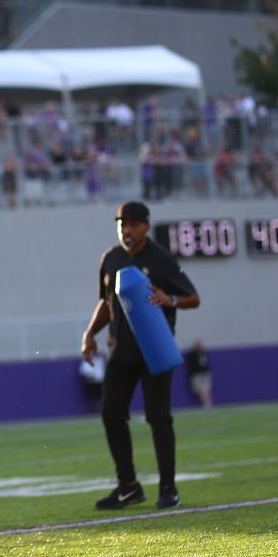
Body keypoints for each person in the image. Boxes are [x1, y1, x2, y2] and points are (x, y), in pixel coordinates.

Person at [80, 201, 200, 511]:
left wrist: (168, 298)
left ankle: (168, 489)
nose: (127, 230)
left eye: (133, 224)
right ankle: (129, 487)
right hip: (120, 350)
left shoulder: (161, 259)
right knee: (111, 413)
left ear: (146, 226)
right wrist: (90, 333)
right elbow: (106, 303)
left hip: (154, 350)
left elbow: (193, 297)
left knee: (158, 418)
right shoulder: (111, 259)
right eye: (122, 224)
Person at [78, 335, 112, 413]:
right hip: (91, 382)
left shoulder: (100, 360)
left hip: (100, 381)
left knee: (104, 396)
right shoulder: (88, 360)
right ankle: (94, 411)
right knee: (92, 397)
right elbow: (83, 372)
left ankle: (106, 409)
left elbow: (107, 362)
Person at [184, 340, 213, 408]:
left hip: (205, 373)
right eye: (198, 345)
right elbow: (189, 365)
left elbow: (205, 363)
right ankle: (206, 401)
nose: (200, 346)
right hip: (196, 374)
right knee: (198, 389)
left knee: (205, 388)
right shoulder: (191, 354)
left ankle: (207, 402)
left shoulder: (203, 353)